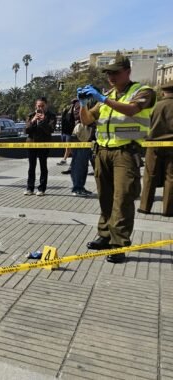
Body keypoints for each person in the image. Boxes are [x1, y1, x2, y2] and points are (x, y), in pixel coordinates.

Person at [79, 55, 156, 263]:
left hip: (126, 152)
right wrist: (83, 104)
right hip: (103, 151)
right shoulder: (108, 95)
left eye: (115, 72)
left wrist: (103, 99)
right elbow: (87, 120)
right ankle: (104, 235)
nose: (111, 76)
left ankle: (119, 244)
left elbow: (132, 110)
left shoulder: (143, 91)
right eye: (108, 73)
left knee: (122, 198)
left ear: (127, 72)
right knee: (105, 196)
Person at [139, 80, 173, 216]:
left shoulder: (155, 106)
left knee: (149, 176)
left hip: (153, 145)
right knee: (171, 177)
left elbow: (146, 125)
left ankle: (144, 207)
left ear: (163, 92)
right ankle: (169, 209)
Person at [24, 97, 56, 196]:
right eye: (38, 106)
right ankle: (30, 188)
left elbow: (51, 130)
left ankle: (42, 189)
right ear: (35, 106)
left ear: (46, 105)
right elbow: (26, 130)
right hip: (32, 143)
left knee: (43, 166)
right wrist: (33, 121)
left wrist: (43, 121)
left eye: (42, 106)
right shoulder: (31, 115)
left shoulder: (51, 116)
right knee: (31, 166)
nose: (40, 108)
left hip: (44, 143)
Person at [68, 99, 95, 197]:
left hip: (84, 137)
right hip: (80, 137)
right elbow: (81, 118)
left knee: (83, 165)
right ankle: (77, 187)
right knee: (79, 164)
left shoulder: (83, 103)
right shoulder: (81, 104)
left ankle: (80, 187)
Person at [58, 101, 76, 168]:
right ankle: (78, 158)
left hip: (69, 132)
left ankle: (65, 159)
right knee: (67, 147)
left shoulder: (73, 111)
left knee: (68, 147)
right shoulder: (65, 112)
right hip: (64, 132)